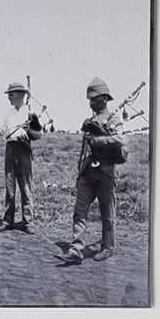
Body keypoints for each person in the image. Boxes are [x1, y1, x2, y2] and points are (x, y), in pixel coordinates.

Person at [66, 77, 125, 263]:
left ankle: (108, 247)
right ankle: (76, 247)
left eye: (95, 99)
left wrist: (99, 138)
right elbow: (84, 150)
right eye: (90, 99)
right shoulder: (90, 120)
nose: (91, 102)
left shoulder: (114, 118)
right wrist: (79, 173)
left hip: (106, 171)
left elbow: (120, 140)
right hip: (88, 171)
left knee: (107, 211)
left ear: (105, 99)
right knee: (80, 209)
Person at [0, 80, 43, 231]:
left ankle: (28, 222)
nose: (9, 97)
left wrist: (29, 131)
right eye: (8, 94)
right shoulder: (7, 114)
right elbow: (1, 132)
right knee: (10, 188)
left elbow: (38, 135)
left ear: (21, 95)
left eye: (12, 94)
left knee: (25, 188)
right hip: (10, 149)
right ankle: (7, 221)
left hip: (24, 149)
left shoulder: (30, 112)